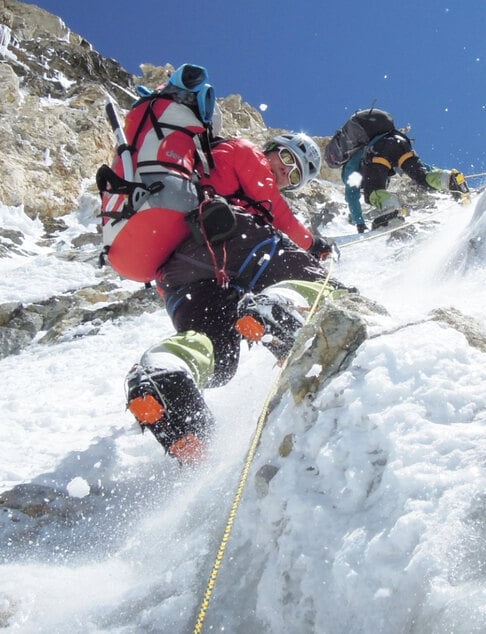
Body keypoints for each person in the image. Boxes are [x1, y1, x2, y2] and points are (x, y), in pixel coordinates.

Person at [124, 129, 345, 464]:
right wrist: (313, 245)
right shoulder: (242, 153)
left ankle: (166, 369)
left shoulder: (221, 171)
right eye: (286, 158)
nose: (286, 171)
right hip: (229, 237)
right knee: (312, 276)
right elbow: (281, 218)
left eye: (295, 175)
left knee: (220, 358)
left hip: (179, 276)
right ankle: (282, 308)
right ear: (269, 149)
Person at [330, 108, 470, 233]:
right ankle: (450, 179)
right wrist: (431, 170)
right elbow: (419, 167)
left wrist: (360, 224)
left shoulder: (352, 165)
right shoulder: (373, 139)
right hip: (400, 142)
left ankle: (391, 210)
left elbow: (351, 196)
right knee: (421, 176)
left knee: (372, 191)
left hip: (379, 151)